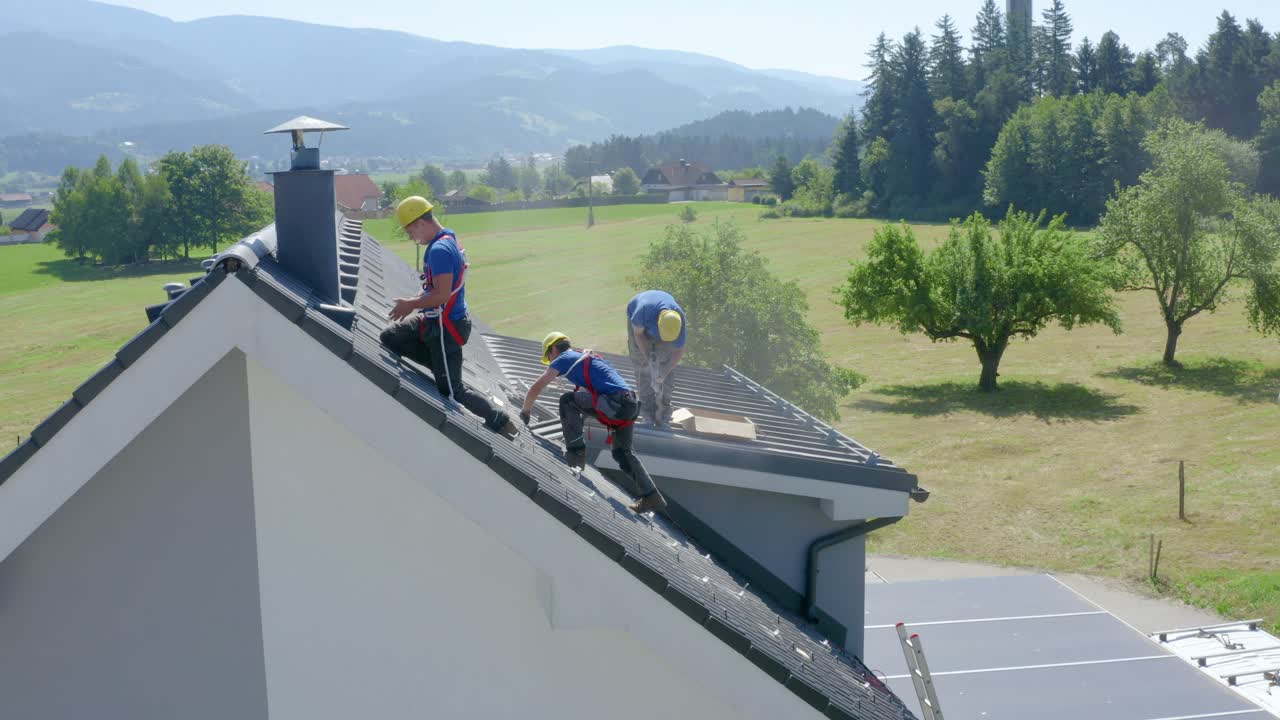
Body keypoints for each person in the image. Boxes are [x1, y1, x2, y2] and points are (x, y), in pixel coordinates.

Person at [382, 196, 518, 439]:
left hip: (445, 328)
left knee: (452, 392)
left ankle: (499, 419)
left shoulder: (440, 250)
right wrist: (415, 302)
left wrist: (411, 304)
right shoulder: (448, 238)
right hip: (436, 320)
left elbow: (442, 295)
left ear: (421, 223)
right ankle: (440, 366)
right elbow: (435, 290)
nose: (412, 238)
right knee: (391, 336)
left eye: (411, 231)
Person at [519, 332, 667, 514]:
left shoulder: (564, 358)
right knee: (621, 452)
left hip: (616, 402)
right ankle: (651, 495)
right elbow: (587, 399)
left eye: (549, 357)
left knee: (567, 400)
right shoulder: (584, 358)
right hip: (629, 404)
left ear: (554, 349)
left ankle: (575, 454)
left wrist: (525, 411)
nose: (550, 362)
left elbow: (536, 388)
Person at [626, 290, 686, 428]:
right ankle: (646, 412)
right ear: (658, 323)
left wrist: (664, 371)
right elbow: (638, 335)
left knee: (666, 360)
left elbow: (678, 350)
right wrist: (647, 357)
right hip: (639, 325)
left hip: (661, 324)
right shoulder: (642, 311)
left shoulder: (678, 321)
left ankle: (663, 411)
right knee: (641, 363)